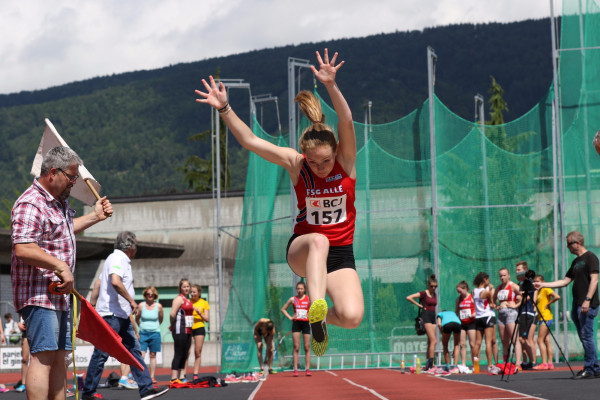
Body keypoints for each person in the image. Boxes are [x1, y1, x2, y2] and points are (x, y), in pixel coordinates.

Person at [195, 48, 363, 357]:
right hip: (304, 249)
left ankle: (318, 318)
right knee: (319, 240)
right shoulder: (296, 163)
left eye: (326, 161)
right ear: (304, 155)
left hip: (340, 253)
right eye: (314, 162)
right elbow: (250, 141)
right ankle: (316, 308)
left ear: (336, 152)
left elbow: (347, 120)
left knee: (352, 317)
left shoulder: (346, 161)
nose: (320, 168)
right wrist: (225, 108)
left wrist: (330, 85)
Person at [11, 146, 113, 400]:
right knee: (43, 357)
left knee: (60, 358)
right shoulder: (31, 202)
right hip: (39, 294)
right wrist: (60, 266)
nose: (74, 182)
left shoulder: (57, 204)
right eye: (71, 177)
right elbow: (23, 247)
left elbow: (62, 231)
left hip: (58, 295)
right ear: (53, 173)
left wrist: (95, 217)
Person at [81, 231, 169, 400]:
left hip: (120, 315)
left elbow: (99, 282)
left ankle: (146, 388)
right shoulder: (118, 258)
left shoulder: (117, 259)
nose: (137, 249)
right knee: (101, 353)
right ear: (130, 246)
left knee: (134, 351)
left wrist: (92, 304)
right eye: (136, 245)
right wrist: (132, 301)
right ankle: (88, 393)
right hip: (112, 315)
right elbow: (115, 281)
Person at [534, 231, 600, 379]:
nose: (567, 246)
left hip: (587, 305)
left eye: (569, 243)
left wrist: (587, 300)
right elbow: (564, 281)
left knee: (587, 336)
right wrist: (543, 284)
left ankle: (590, 368)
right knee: (584, 337)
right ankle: (595, 368)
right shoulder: (576, 262)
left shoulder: (591, 257)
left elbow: (594, 280)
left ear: (577, 243)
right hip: (577, 304)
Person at [406, 275, 438, 370]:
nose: (433, 288)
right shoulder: (424, 293)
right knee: (434, 340)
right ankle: (431, 364)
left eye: (435, 286)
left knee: (430, 341)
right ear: (428, 285)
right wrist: (419, 306)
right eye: (432, 286)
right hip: (426, 316)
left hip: (433, 317)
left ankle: (428, 364)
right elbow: (409, 297)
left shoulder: (435, 294)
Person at [492, 268, 522, 367]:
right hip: (501, 315)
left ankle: (518, 363)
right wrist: (496, 306)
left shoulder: (513, 286)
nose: (502, 277)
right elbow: (493, 299)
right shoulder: (499, 287)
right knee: (504, 341)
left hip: (511, 313)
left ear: (509, 275)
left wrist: (516, 304)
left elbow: (525, 295)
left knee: (514, 339)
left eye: (504, 275)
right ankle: (506, 362)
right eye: (501, 276)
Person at [281, 281, 312, 377]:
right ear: (296, 289)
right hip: (296, 323)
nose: (300, 290)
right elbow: (283, 309)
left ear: (304, 289)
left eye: (301, 288)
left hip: (306, 323)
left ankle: (307, 369)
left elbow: (314, 309)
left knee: (307, 346)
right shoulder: (293, 299)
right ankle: (295, 369)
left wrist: (311, 316)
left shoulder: (309, 299)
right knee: (296, 347)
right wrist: (290, 317)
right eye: (298, 288)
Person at [472, 272, 500, 374]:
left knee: (478, 342)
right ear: (484, 280)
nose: (489, 281)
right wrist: (491, 290)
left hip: (478, 317)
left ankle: (474, 365)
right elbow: (492, 304)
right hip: (488, 316)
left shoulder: (473, 291)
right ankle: (490, 365)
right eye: (488, 279)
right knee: (488, 342)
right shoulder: (486, 292)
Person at [135, 286, 164, 384]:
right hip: (143, 333)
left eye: (152, 294)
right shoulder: (141, 305)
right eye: (148, 294)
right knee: (141, 354)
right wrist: (140, 327)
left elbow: (161, 319)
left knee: (153, 355)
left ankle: (152, 377)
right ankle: (140, 375)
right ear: (145, 295)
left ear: (155, 295)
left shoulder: (159, 306)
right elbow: (137, 318)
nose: (150, 296)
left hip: (155, 333)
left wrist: (155, 326)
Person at [532, 274, 560, 370]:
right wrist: (535, 290)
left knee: (539, 340)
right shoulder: (538, 291)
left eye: (537, 281)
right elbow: (534, 302)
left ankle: (544, 363)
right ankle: (550, 363)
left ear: (543, 282)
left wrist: (548, 303)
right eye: (534, 281)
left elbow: (557, 296)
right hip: (542, 318)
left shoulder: (545, 289)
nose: (535, 283)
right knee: (546, 340)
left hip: (546, 317)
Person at [169, 278, 193, 384]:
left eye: (188, 286)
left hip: (188, 329)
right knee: (178, 353)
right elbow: (172, 314)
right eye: (184, 287)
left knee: (185, 353)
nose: (186, 288)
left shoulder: (188, 299)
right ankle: (174, 377)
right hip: (180, 329)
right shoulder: (179, 299)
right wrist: (172, 325)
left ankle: (182, 376)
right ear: (180, 288)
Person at [515, 261, 537, 370]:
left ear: (525, 270)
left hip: (528, 313)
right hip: (522, 312)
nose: (517, 272)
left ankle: (533, 361)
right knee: (524, 339)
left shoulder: (529, 282)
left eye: (519, 270)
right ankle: (527, 361)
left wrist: (517, 302)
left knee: (525, 339)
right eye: (516, 270)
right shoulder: (520, 284)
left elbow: (529, 297)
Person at [190, 284, 210, 381]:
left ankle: (195, 374)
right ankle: (183, 374)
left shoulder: (204, 303)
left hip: (199, 327)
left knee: (197, 352)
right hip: (189, 327)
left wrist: (199, 313)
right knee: (186, 351)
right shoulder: (188, 301)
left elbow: (207, 319)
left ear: (199, 293)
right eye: (191, 292)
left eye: (194, 292)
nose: (192, 294)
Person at [455, 281, 476, 373]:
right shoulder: (458, 299)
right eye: (458, 292)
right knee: (462, 344)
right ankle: (463, 363)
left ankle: (474, 364)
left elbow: (477, 309)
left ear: (465, 289)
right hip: (462, 323)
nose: (459, 294)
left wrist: (474, 314)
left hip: (471, 323)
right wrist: (456, 318)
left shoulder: (472, 297)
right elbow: (457, 310)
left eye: (460, 291)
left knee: (472, 344)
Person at [15, 316, 29, 392]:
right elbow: (20, 314)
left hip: (38, 329)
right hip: (26, 332)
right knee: (24, 359)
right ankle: (24, 384)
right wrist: (19, 323)